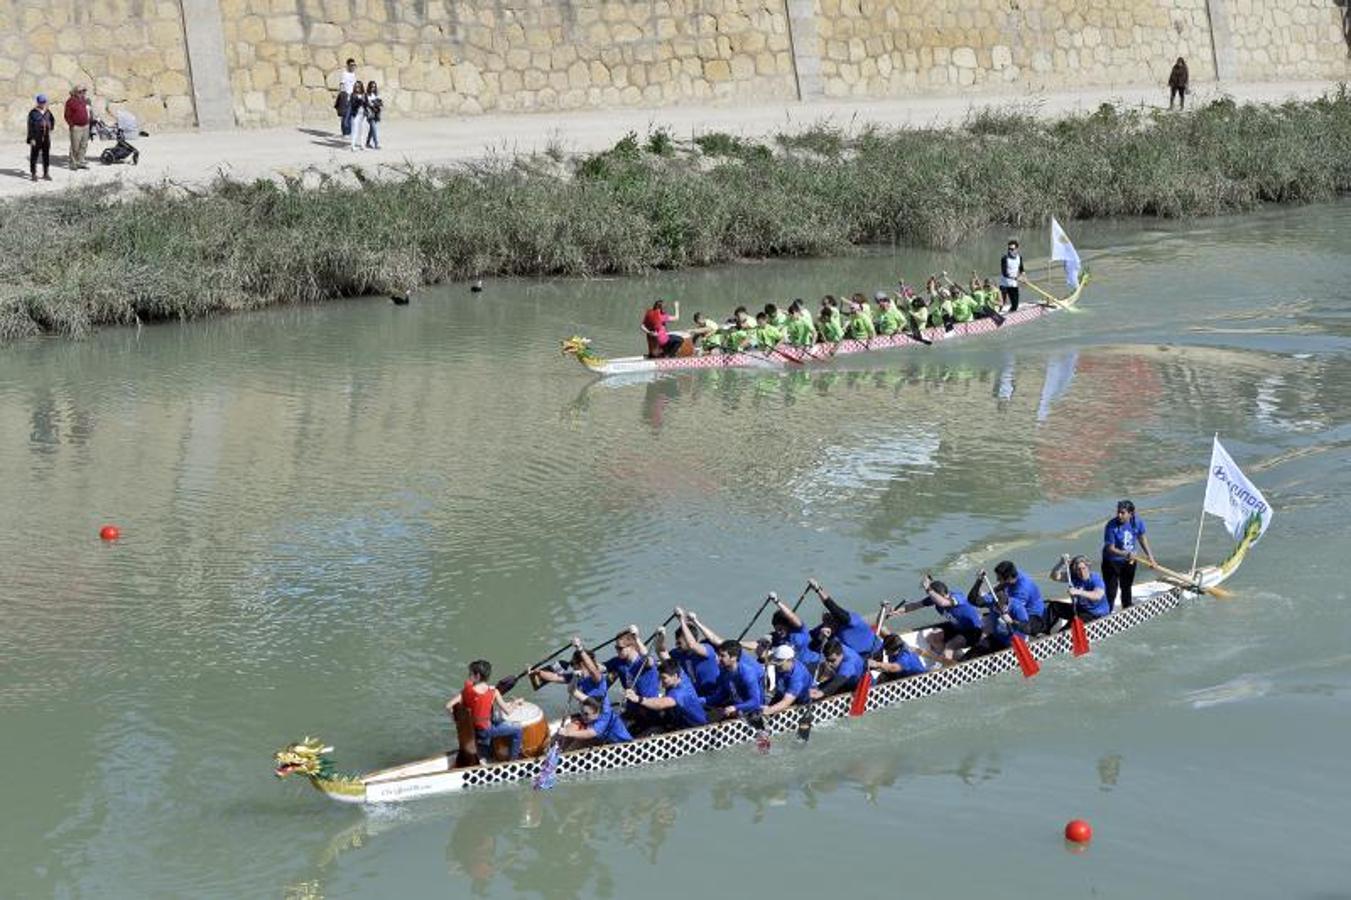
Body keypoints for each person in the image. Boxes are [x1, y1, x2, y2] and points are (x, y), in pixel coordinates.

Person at [445, 659, 525, 761]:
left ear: (477, 676)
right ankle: (513, 760)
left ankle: (489, 748)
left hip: (471, 730)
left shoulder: (466, 690)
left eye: (470, 673)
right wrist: (516, 703)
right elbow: (508, 711)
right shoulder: (493, 692)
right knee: (518, 729)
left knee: (494, 719)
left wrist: (457, 720)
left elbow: (448, 706)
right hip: (484, 732)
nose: (469, 676)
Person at [1101, 499, 1156, 609]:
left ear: (1131, 514)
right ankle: (1106, 612)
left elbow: (1142, 538)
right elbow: (1110, 548)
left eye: (1123, 513)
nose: (1119, 515)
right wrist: (1125, 554)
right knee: (1111, 591)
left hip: (1129, 561)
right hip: (1111, 562)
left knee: (1126, 587)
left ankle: (1127, 608)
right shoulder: (1111, 526)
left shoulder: (1137, 522)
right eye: (1118, 512)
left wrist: (1150, 558)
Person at [626, 659, 707, 731]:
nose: (661, 683)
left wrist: (638, 699)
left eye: (664, 678)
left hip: (698, 729)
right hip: (683, 725)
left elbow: (660, 704)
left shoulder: (680, 693)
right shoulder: (682, 677)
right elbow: (664, 654)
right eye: (660, 678)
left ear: (675, 676)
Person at [603, 626, 660, 727]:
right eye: (616, 647)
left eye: (620, 648)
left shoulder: (643, 662)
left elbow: (649, 660)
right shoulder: (618, 661)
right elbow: (599, 667)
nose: (617, 650)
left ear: (632, 647)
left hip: (649, 707)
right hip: (632, 708)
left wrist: (636, 638)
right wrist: (582, 655)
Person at [917, 575, 984, 661]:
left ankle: (946, 664)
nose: (946, 596)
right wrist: (899, 611)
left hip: (974, 631)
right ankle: (954, 659)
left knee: (950, 646)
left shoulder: (957, 597)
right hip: (958, 629)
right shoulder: (935, 599)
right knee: (932, 637)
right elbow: (913, 606)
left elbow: (943, 603)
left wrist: (928, 589)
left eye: (945, 595)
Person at [810, 579, 882, 658]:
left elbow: (832, 607)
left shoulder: (852, 620)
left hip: (876, 652)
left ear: (837, 618)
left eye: (830, 620)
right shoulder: (826, 628)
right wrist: (820, 638)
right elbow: (808, 641)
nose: (827, 624)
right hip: (858, 657)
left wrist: (818, 589)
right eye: (825, 621)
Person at [705, 639, 765, 719]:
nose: (718, 659)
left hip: (754, 711)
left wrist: (734, 707)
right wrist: (701, 701)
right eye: (718, 655)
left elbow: (755, 702)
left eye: (722, 656)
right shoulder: (724, 671)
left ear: (733, 657)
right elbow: (721, 695)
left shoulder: (747, 674)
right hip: (736, 707)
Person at [1048, 554, 1111, 630]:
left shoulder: (1095, 578)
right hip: (1079, 609)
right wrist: (1060, 564)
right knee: (1054, 606)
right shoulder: (1074, 576)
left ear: (1088, 567)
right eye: (1078, 569)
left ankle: (1063, 632)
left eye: (1083, 568)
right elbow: (1054, 577)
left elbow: (1097, 596)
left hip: (1095, 614)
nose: (1082, 572)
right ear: (1075, 570)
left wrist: (1078, 592)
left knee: (1066, 630)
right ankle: (1046, 630)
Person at [992, 560, 1048, 635]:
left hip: (1034, 617)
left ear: (1008, 578)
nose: (997, 580)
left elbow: (1013, 609)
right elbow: (1003, 585)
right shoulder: (1015, 573)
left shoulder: (1021, 591)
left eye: (999, 578)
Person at [559, 695, 633, 746]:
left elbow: (589, 733)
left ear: (598, 713)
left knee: (580, 739)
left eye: (586, 714)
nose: (583, 716)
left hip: (624, 745)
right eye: (582, 712)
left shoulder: (604, 721)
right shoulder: (593, 717)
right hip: (606, 742)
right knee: (574, 726)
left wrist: (567, 733)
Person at [761, 644, 813, 715]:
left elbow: (786, 702)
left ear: (790, 660)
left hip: (800, 701)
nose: (777, 666)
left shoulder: (797, 677)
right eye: (775, 663)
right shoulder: (780, 665)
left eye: (780, 664)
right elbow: (766, 657)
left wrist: (768, 710)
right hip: (783, 693)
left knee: (770, 713)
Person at [26, 94, 55, 182]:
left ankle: (46, 173)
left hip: (46, 137)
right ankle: (33, 173)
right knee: (34, 156)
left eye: (44, 102)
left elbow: (52, 120)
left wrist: (51, 127)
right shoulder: (33, 113)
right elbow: (30, 126)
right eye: (41, 102)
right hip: (36, 137)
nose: (42, 103)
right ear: (38, 102)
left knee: (46, 155)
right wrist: (31, 138)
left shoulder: (48, 111)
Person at [63, 86, 90, 171]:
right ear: (75, 92)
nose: (82, 93)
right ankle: (73, 163)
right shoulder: (70, 102)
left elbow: (88, 111)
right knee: (75, 146)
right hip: (76, 127)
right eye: (80, 91)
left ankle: (80, 161)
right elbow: (67, 115)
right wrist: (72, 125)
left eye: (84, 91)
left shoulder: (84, 100)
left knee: (83, 145)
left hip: (86, 125)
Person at [999, 239, 1025, 312]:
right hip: (1004, 284)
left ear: (1017, 249)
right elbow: (1004, 273)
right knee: (1002, 304)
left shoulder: (1019, 257)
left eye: (1012, 249)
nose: (1010, 251)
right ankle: (996, 313)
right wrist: (1016, 277)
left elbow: (1021, 269)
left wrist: (1023, 276)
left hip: (1013, 285)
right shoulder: (1004, 258)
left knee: (1015, 306)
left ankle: (1010, 314)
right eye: (1009, 249)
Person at [337, 58, 358, 136]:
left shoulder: (354, 75)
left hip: (353, 97)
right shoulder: (344, 74)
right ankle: (345, 133)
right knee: (345, 115)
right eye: (351, 65)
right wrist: (342, 96)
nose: (353, 67)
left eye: (354, 65)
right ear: (348, 65)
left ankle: (349, 132)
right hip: (346, 97)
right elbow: (341, 85)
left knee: (350, 115)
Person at [348, 81, 367, 151]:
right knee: (354, 130)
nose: (357, 88)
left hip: (363, 114)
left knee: (362, 130)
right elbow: (352, 104)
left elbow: (366, 104)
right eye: (356, 86)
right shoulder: (353, 95)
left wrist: (364, 102)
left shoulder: (364, 95)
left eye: (358, 86)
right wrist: (358, 102)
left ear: (361, 87)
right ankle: (352, 145)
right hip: (355, 114)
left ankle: (362, 145)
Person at [364, 81, 382, 149]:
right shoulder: (366, 95)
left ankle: (367, 142)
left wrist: (377, 103)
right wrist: (369, 104)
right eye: (371, 86)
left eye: (374, 87)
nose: (373, 88)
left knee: (372, 129)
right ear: (369, 87)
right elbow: (365, 104)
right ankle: (376, 144)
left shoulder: (376, 94)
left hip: (376, 113)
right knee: (374, 128)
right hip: (370, 113)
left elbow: (380, 103)